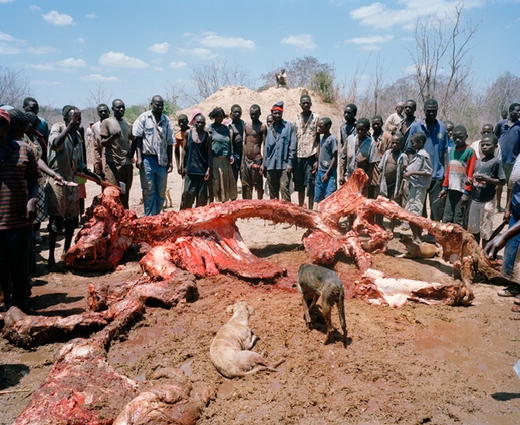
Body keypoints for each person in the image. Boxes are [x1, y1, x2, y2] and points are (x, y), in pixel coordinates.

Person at [46, 106, 101, 271]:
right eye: (74, 118)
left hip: (72, 181)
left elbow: (80, 163)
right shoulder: (58, 129)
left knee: (71, 221)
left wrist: (93, 175)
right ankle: (50, 259)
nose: (77, 121)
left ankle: (66, 253)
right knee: (56, 221)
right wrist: (70, 126)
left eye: (78, 118)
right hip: (58, 180)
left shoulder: (78, 135)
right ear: (66, 119)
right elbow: (55, 144)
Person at [0, 109, 39, 314]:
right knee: (1, 268)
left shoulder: (24, 150)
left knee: (20, 266)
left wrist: (32, 199)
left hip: (20, 219)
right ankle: (6, 305)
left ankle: (23, 305)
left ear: (7, 127)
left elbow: (33, 178)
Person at [406, 98, 449, 221]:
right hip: (419, 176)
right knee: (419, 207)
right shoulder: (415, 127)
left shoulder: (442, 128)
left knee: (436, 207)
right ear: (424, 110)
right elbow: (410, 151)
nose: (431, 113)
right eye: (429, 111)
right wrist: (411, 169)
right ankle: (419, 235)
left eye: (434, 111)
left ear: (437, 111)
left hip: (437, 174)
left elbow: (444, 152)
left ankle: (433, 234)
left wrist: (445, 174)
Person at [133, 95, 174, 216]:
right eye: (157, 104)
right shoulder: (144, 118)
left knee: (161, 192)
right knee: (149, 190)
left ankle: (156, 217)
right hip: (147, 159)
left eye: (161, 105)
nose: (159, 107)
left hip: (162, 160)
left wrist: (170, 162)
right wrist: (139, 158)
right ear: (152, 104)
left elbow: (170, 143)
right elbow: (137, 138)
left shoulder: (166, 121)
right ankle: (149, 218)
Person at [467, 134, 505, 246]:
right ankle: (475, 251)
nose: (484, 147)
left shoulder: (496, 162)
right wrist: (470, 180)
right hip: (475, 199)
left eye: (488, 145)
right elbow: (474, 178)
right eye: (482, 145)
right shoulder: (478, 162)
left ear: (495, 147)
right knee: (473, 228)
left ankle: (484, 252)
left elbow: (502, 181)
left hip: (487, 200)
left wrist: (487, 179)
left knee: (485, 229)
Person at [100, 99, 135, 209]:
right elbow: (103, 143)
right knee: (112, 194)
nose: (121, 110)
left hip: (126, 164)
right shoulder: (107, 122)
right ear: (113, 109)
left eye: (122, 107)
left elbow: (135, 139)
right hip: (113, 164)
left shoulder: (127, 124)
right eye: (118, 107)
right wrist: (113, 137)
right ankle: (111, 222)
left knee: (125, 194)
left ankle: (124, 221)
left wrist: (132, 151)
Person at [439, 125, 476, 226]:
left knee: (458, 219)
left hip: (462, 191)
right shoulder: (453, 151)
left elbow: (470, 173)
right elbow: (449, 171)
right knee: (447, 217)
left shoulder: (470, 151)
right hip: (451, 189)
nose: (457, 139)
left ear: (466, 136)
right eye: (455, 137)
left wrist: (467, 192)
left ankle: (457, 241)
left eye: (460, 137)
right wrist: (444, 187)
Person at [403, 132, 433, 243]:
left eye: (413, 143)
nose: (412, 145)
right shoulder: (417, 154)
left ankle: (417, 237)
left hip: (419, 188)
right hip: (414, 187)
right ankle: (415, 236)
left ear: (421, 143)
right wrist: (408, 169)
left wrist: (411, 173)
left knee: (415, 213)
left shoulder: (423, 155)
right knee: (410, 212)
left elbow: (428, 172)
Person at [263, 101, 296, 201]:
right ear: (272, 114)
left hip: (284, 166)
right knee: (273, 194)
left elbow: (292, 146)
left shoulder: (289, 127)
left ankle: (287, 215)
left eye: (279, 113)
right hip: (271, 165)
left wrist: (290, 163)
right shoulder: (269, 129)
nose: (277, 115)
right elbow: (266, 149)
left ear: (282, 113)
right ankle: (275, 216)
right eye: (275, 113)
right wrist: (265, 165)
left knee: (284, 190)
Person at [293, 94, 320, 209]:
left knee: (310, 184)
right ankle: (301, 209)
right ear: (300, 105)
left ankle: (310, 210)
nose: (305, 105)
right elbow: (294, 139)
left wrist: (317, 160)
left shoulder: (316, 118)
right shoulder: (296, 119)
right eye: (303, 103)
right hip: (298, 156)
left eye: (307, 103)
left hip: (311, 155)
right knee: (299, 185)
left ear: (311, 104)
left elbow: (318, 139)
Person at [339, 118, 380, 191]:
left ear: (367, 129)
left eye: (362, 129)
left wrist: (366, 179)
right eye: (358, 129)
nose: (360, 131)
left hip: (362, 178)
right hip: (349, 175)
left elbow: (372, 163)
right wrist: (342, 174)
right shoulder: (350, 139)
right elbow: (343, 157)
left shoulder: (371, 143)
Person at [180, 114, 212, 209]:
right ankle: (186, 218)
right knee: (188, 196)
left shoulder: (208, 136)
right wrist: (182, 165)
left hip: (202, 172)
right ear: (194, 122)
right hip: (190, 171)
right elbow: (184, 151)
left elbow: (209, 153)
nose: (200, 124)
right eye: (198, 122)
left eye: (202, 123)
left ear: (205, 123)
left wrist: (208, 169)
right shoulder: (188, 133)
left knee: (201, 199)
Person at [379, 132, 408, 231]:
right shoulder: (387, 153)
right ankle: (380, 226)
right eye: (393, 143)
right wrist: (379, 183)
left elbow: (404, 175)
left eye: (397, 143)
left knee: (393, 208)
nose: (394, 145)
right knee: (381, 206)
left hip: (395, 185)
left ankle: (391, 228)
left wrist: (400, 189)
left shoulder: (403, 156)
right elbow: (381, 168)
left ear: (401, 144)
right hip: (384, 184)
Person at [494, 103, 520, 212]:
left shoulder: (519, 126)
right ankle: (498, 205)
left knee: (511, 186)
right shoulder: (501, 124)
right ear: (510, 111)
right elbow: (495, 139)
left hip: (513, 161)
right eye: (517, 111)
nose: (519, 113)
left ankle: (507, 207)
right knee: (499, 184)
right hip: (501, 160)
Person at [208, 107, 237, 202]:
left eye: (221, 117)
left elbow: (230, 143)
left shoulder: (226, 129)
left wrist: (231, 154)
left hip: (225, 160)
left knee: (227, 184)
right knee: (216, 184)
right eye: (217, 116)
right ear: (213, 117)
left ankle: (225, 206)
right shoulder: (209, 128)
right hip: (215, 161)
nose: (220, 119)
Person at [242, 104, 267, 199]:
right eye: (251, 114)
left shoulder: (262, 127)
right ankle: (247, 207)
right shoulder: (246, 126)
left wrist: (263, 163)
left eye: (255, 114)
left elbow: (265, 145)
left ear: (259, 114)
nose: (253, 116)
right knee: (246, 186)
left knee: (258, 186)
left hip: (257, 159)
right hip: (247, 160)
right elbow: (244, 144)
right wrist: (242, 162)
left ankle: (259, 206)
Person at [314, 117, 337, 204]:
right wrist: (317, 162)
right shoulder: (322, 138)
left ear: (328, 127)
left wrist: (327, 173)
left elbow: (334, 157)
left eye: (321, 126)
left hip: (329, 172)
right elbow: (320, 152)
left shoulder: (332, 139)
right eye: (318, 126)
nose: (319, 128)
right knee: (319, 197)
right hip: (320, 171)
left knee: (329, 198)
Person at [229, 104, 245, 186]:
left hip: (242, 154)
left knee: (244, 178)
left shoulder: (244, 125)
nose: (237, 114)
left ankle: (245, 198)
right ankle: (233, 198)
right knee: (233, 178)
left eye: (239, 112)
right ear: (231, 113)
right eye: (235, 112)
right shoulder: (229, 126)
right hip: (233, 155)